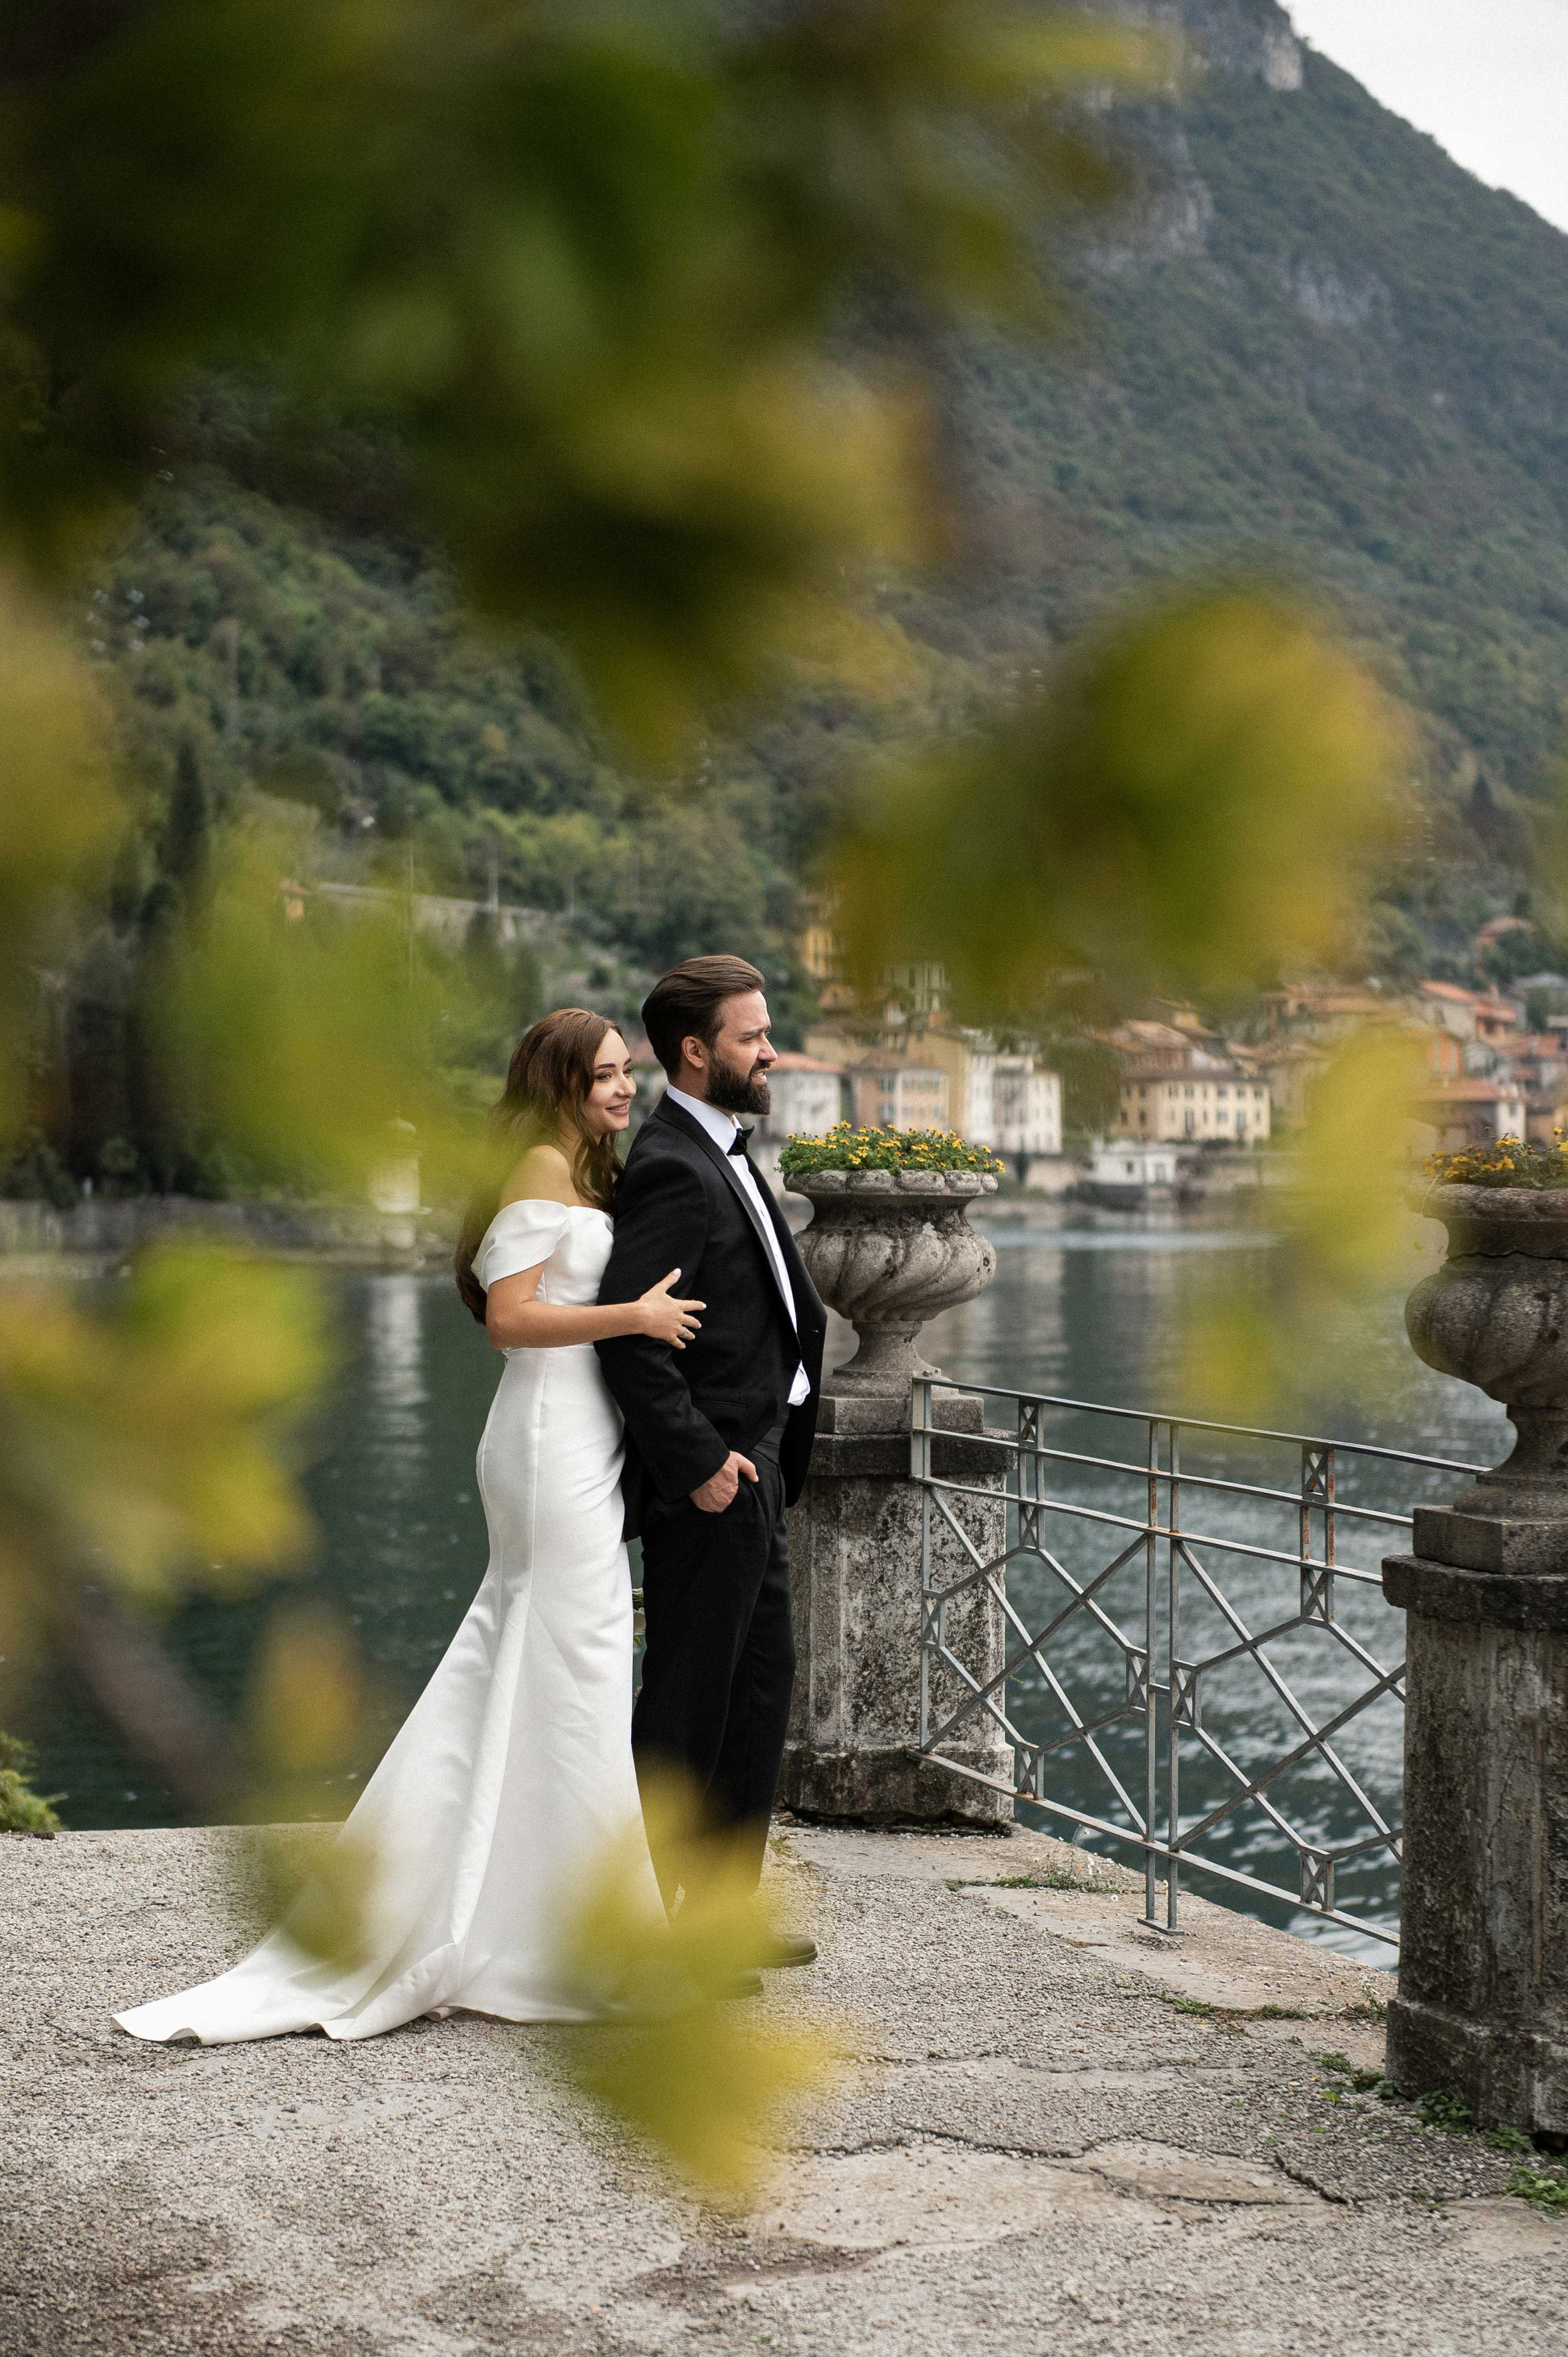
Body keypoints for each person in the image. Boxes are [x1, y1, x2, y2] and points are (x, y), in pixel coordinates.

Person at [116, 1010, 702, 2044]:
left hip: (578, 1437)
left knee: (559, 1668)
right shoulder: (532, 1168)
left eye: (627, 1072)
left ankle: (539, 1918)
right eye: (607, 1075)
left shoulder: (577, 1173)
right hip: (546, 1440)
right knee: (580, 1657)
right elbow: (507, 1319)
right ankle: (568, 1937)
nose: (624, 1088)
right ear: (562, 1083)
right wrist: (633, 1319)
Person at [595, 955, 826, 1987]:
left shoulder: (722, 1151)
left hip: (761, 1469)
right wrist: (700, 1468)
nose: (770, 1051)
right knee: (691, 1701)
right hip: (715, 1480)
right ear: (697, 1051)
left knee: (758, 1693)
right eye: (753, 1037)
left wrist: (768, 1458)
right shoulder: (670, 1166)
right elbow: (632, 1340)